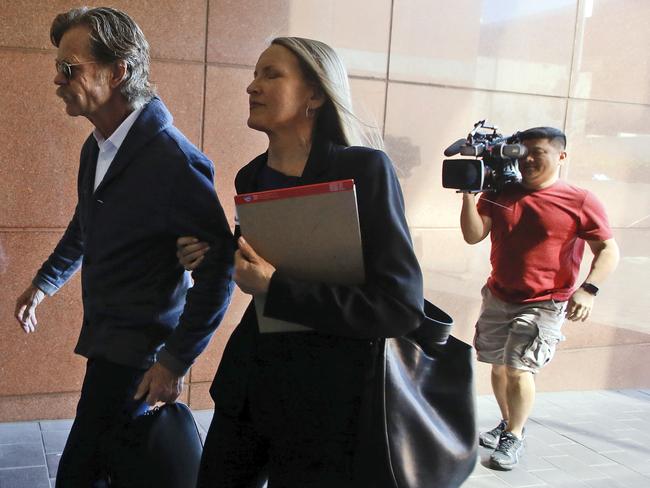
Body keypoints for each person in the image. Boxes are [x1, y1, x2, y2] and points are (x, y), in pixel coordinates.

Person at [177, 37, 424, 487]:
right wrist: (214, 256)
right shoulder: (251, 175)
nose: (252, 86)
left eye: (271, 74)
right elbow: (263, 259)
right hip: (251, 386)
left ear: (315, 94)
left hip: (329, 402)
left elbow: (400, 307)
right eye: (254, 74)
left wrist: (276, 287)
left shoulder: (366, 170)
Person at [13, 7, 234, 487]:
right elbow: (84, 225)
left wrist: (174, 363)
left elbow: (219, 273)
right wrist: (44, 283)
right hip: (107, 347)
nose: (56, 78)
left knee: (79, 475)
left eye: (68, 68)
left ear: (117, 71)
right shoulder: (97, 147)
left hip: (140, 360)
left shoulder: (175, 161)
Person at [460, 127, 620, 470]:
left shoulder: (580, 200)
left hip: (544, 302)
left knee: (519, 369)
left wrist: (588, 289)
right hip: (499, 295)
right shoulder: (501, 193)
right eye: (523, 151)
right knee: (499, 367)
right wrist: (467, 195)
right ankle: (507, 422)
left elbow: (608, 250)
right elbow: (473, 235)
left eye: (539, 152)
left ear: (561, 156)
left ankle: (515, 435)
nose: (529, 159)